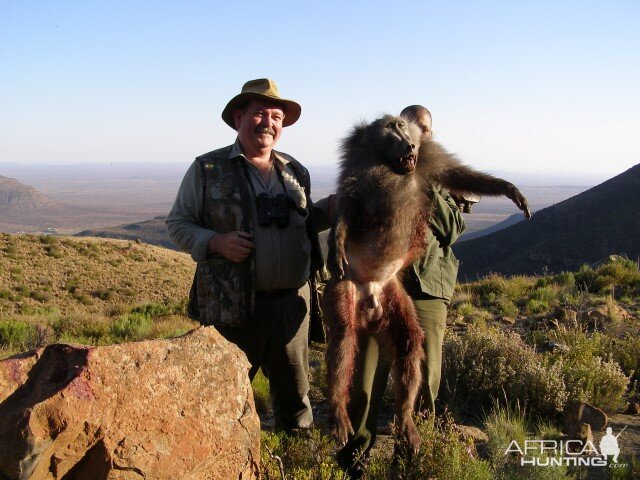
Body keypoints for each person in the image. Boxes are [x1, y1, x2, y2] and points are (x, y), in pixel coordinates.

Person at [166, 78, 328, 433]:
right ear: (239, 117)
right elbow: (178, 223)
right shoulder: (208, 169)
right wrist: (216, 242)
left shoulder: (295, 170)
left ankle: (295, 460)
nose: (267, 123)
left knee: (296, 402)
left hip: (291, 308)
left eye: (275, 116)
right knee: (222, 399)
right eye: (259, 113)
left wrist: (344, 205)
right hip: (233, 308)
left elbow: (306, 222)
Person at [336, 105, 467, 478]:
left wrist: (418, 185)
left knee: (422, 378)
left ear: (430, 134)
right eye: (409, 128)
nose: (415, 135)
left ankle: (410, 462)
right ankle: (353, 461)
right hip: (381, 285)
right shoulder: (376, 167)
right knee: (365, 380)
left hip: (427, 289)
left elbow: (453, 228)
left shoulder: (439, 173)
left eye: (422, 129)